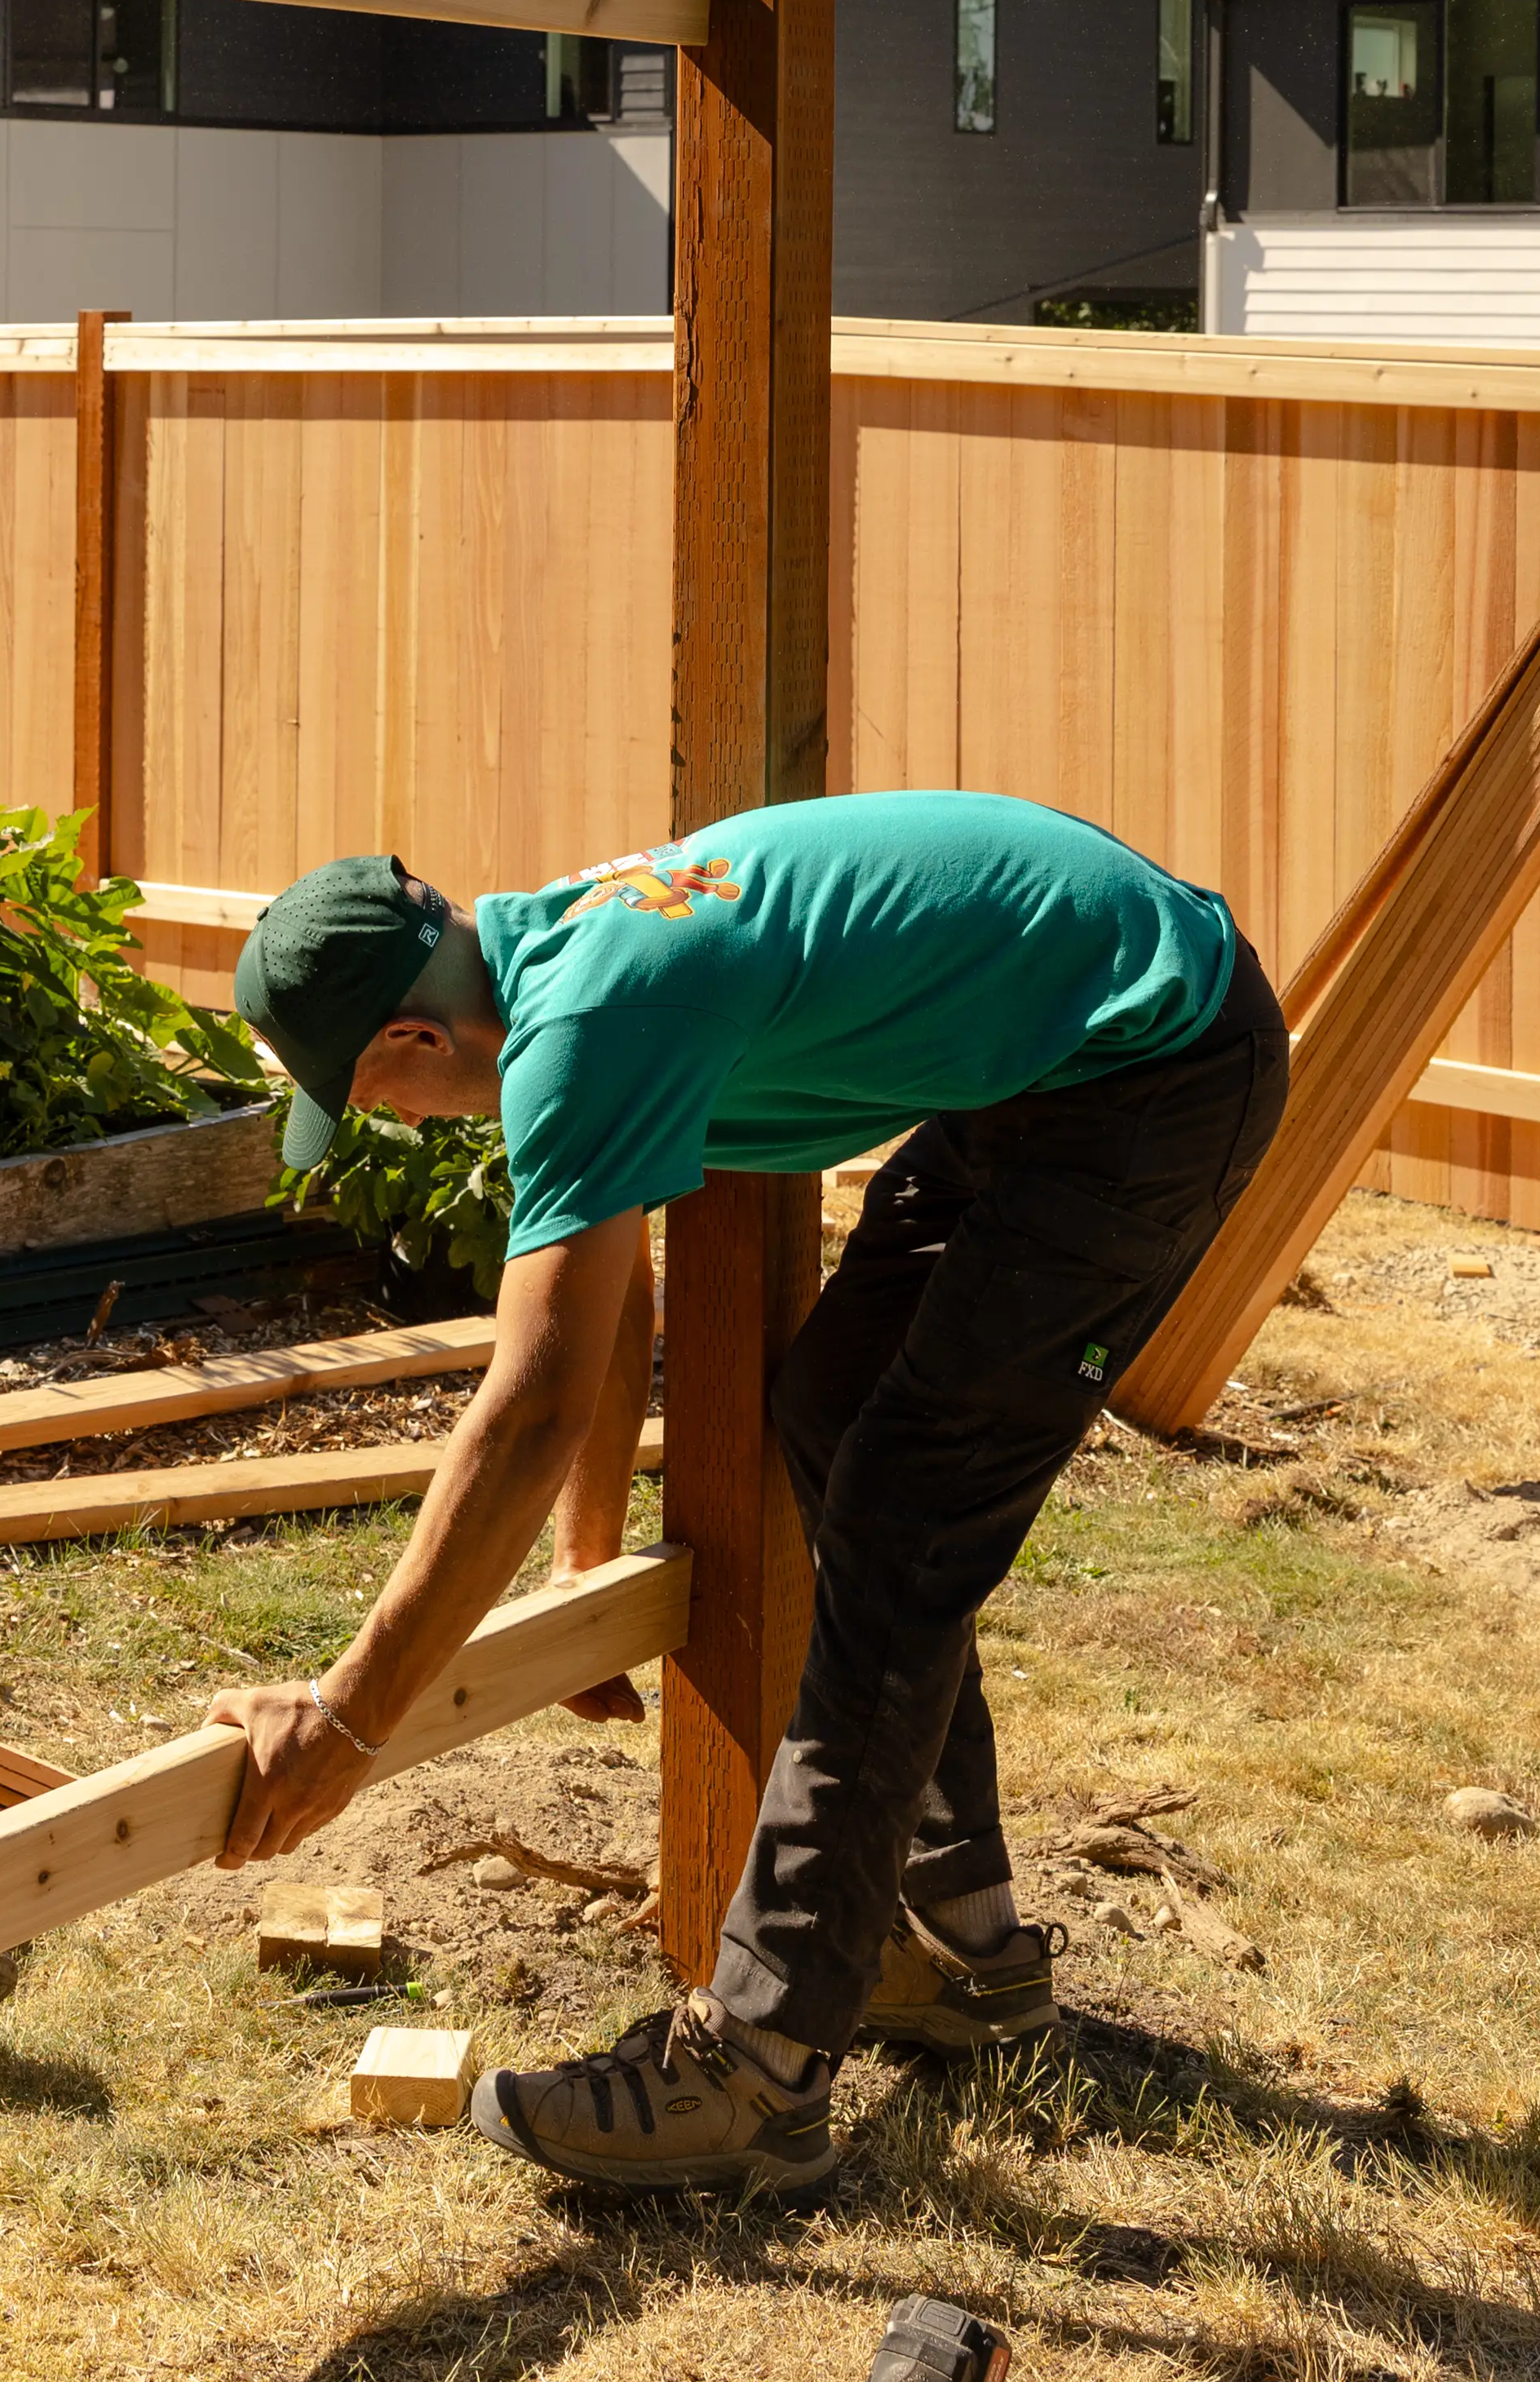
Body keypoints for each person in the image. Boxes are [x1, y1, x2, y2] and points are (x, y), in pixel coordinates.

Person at [206, 787, 1287, 2203]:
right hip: (1058, 1058)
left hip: (1155, 1063)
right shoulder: (568, 954)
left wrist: (345, 1719)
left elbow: (526, 1410)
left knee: (908, 1508)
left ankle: (758, 2071)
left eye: (372, 1099)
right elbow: (616, 1284)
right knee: (836, 1406)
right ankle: (959, 1939)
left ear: (414, 1035)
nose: (394, 1124)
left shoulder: (588, 1028)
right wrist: (587, 1561)